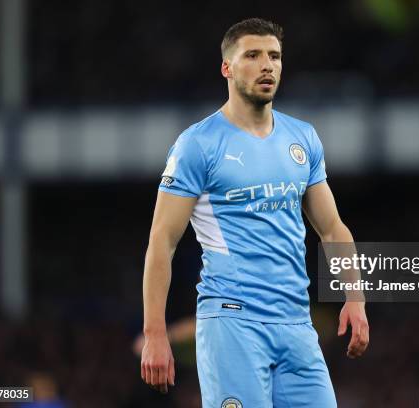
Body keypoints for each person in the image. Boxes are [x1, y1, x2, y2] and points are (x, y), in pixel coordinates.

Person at [140, 17, 369, 408]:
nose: (268, 65)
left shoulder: (302, 138)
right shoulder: (198, 144)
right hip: (232, 322)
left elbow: (332, 228)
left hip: (296, 323)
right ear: (227, 68)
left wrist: (355, 297)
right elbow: (163, 240)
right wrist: (155, 333)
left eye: (275, 56)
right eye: (253, 55)